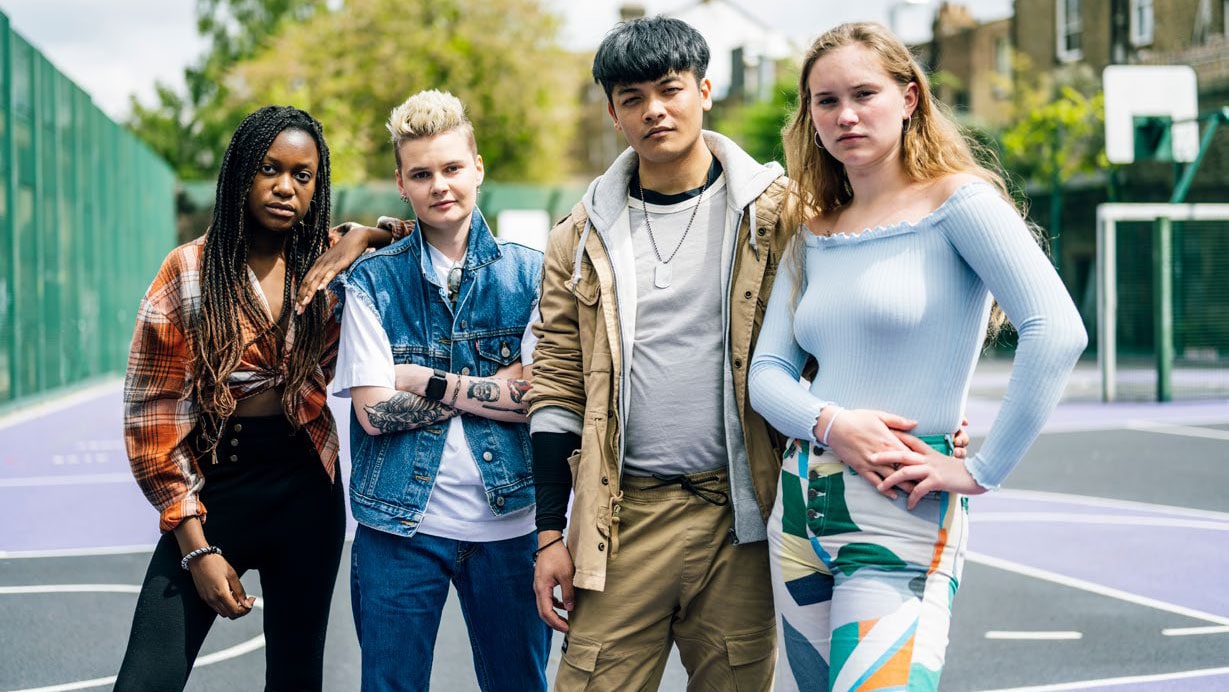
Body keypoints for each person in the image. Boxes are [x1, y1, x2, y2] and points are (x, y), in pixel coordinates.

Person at [525, 16, 972, 690]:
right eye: (631, 98)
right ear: (614, 114)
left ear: (704, 89)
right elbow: (556, 386)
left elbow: (846, 331)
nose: (653, 110)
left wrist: (931, 418)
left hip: (742, 516)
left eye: (668, 89)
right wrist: (548, 534)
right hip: (620, 518)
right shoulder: (578, 235)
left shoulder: (783, 213)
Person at [748, 22, 1088, 691]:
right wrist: (831, 423)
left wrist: (982, 471)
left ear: (908, 98)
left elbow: (1056, 330)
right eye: (825, 100)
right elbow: (766, 376)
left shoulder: (958, 203)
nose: (845, 114)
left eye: (864, 93)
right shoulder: (811, 233)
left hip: (900, 509)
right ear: (809, 116)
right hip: (798, 513)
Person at [115, 106, 398, 691]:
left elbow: (432, 237)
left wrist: (368, 235)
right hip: (218, 486)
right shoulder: (188, 271)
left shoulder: (334, 260)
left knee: (296, 679)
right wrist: (195, 548)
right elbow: (151, 415)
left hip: (307, 487)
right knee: (146, 680)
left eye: (303, 175)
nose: (285, 187)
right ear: (241, 172)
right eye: (270, 168)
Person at [329, 89, 550, 692]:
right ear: (401, 183)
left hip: (511, 527)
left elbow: (537, 399)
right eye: (422, 174)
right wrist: (489, 388)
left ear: (477, 167)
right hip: (398, 528)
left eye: (452, 168)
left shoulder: (532, 273)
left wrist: (425, 380)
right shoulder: (372, 281)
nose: (440, 185)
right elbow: (375, 413)